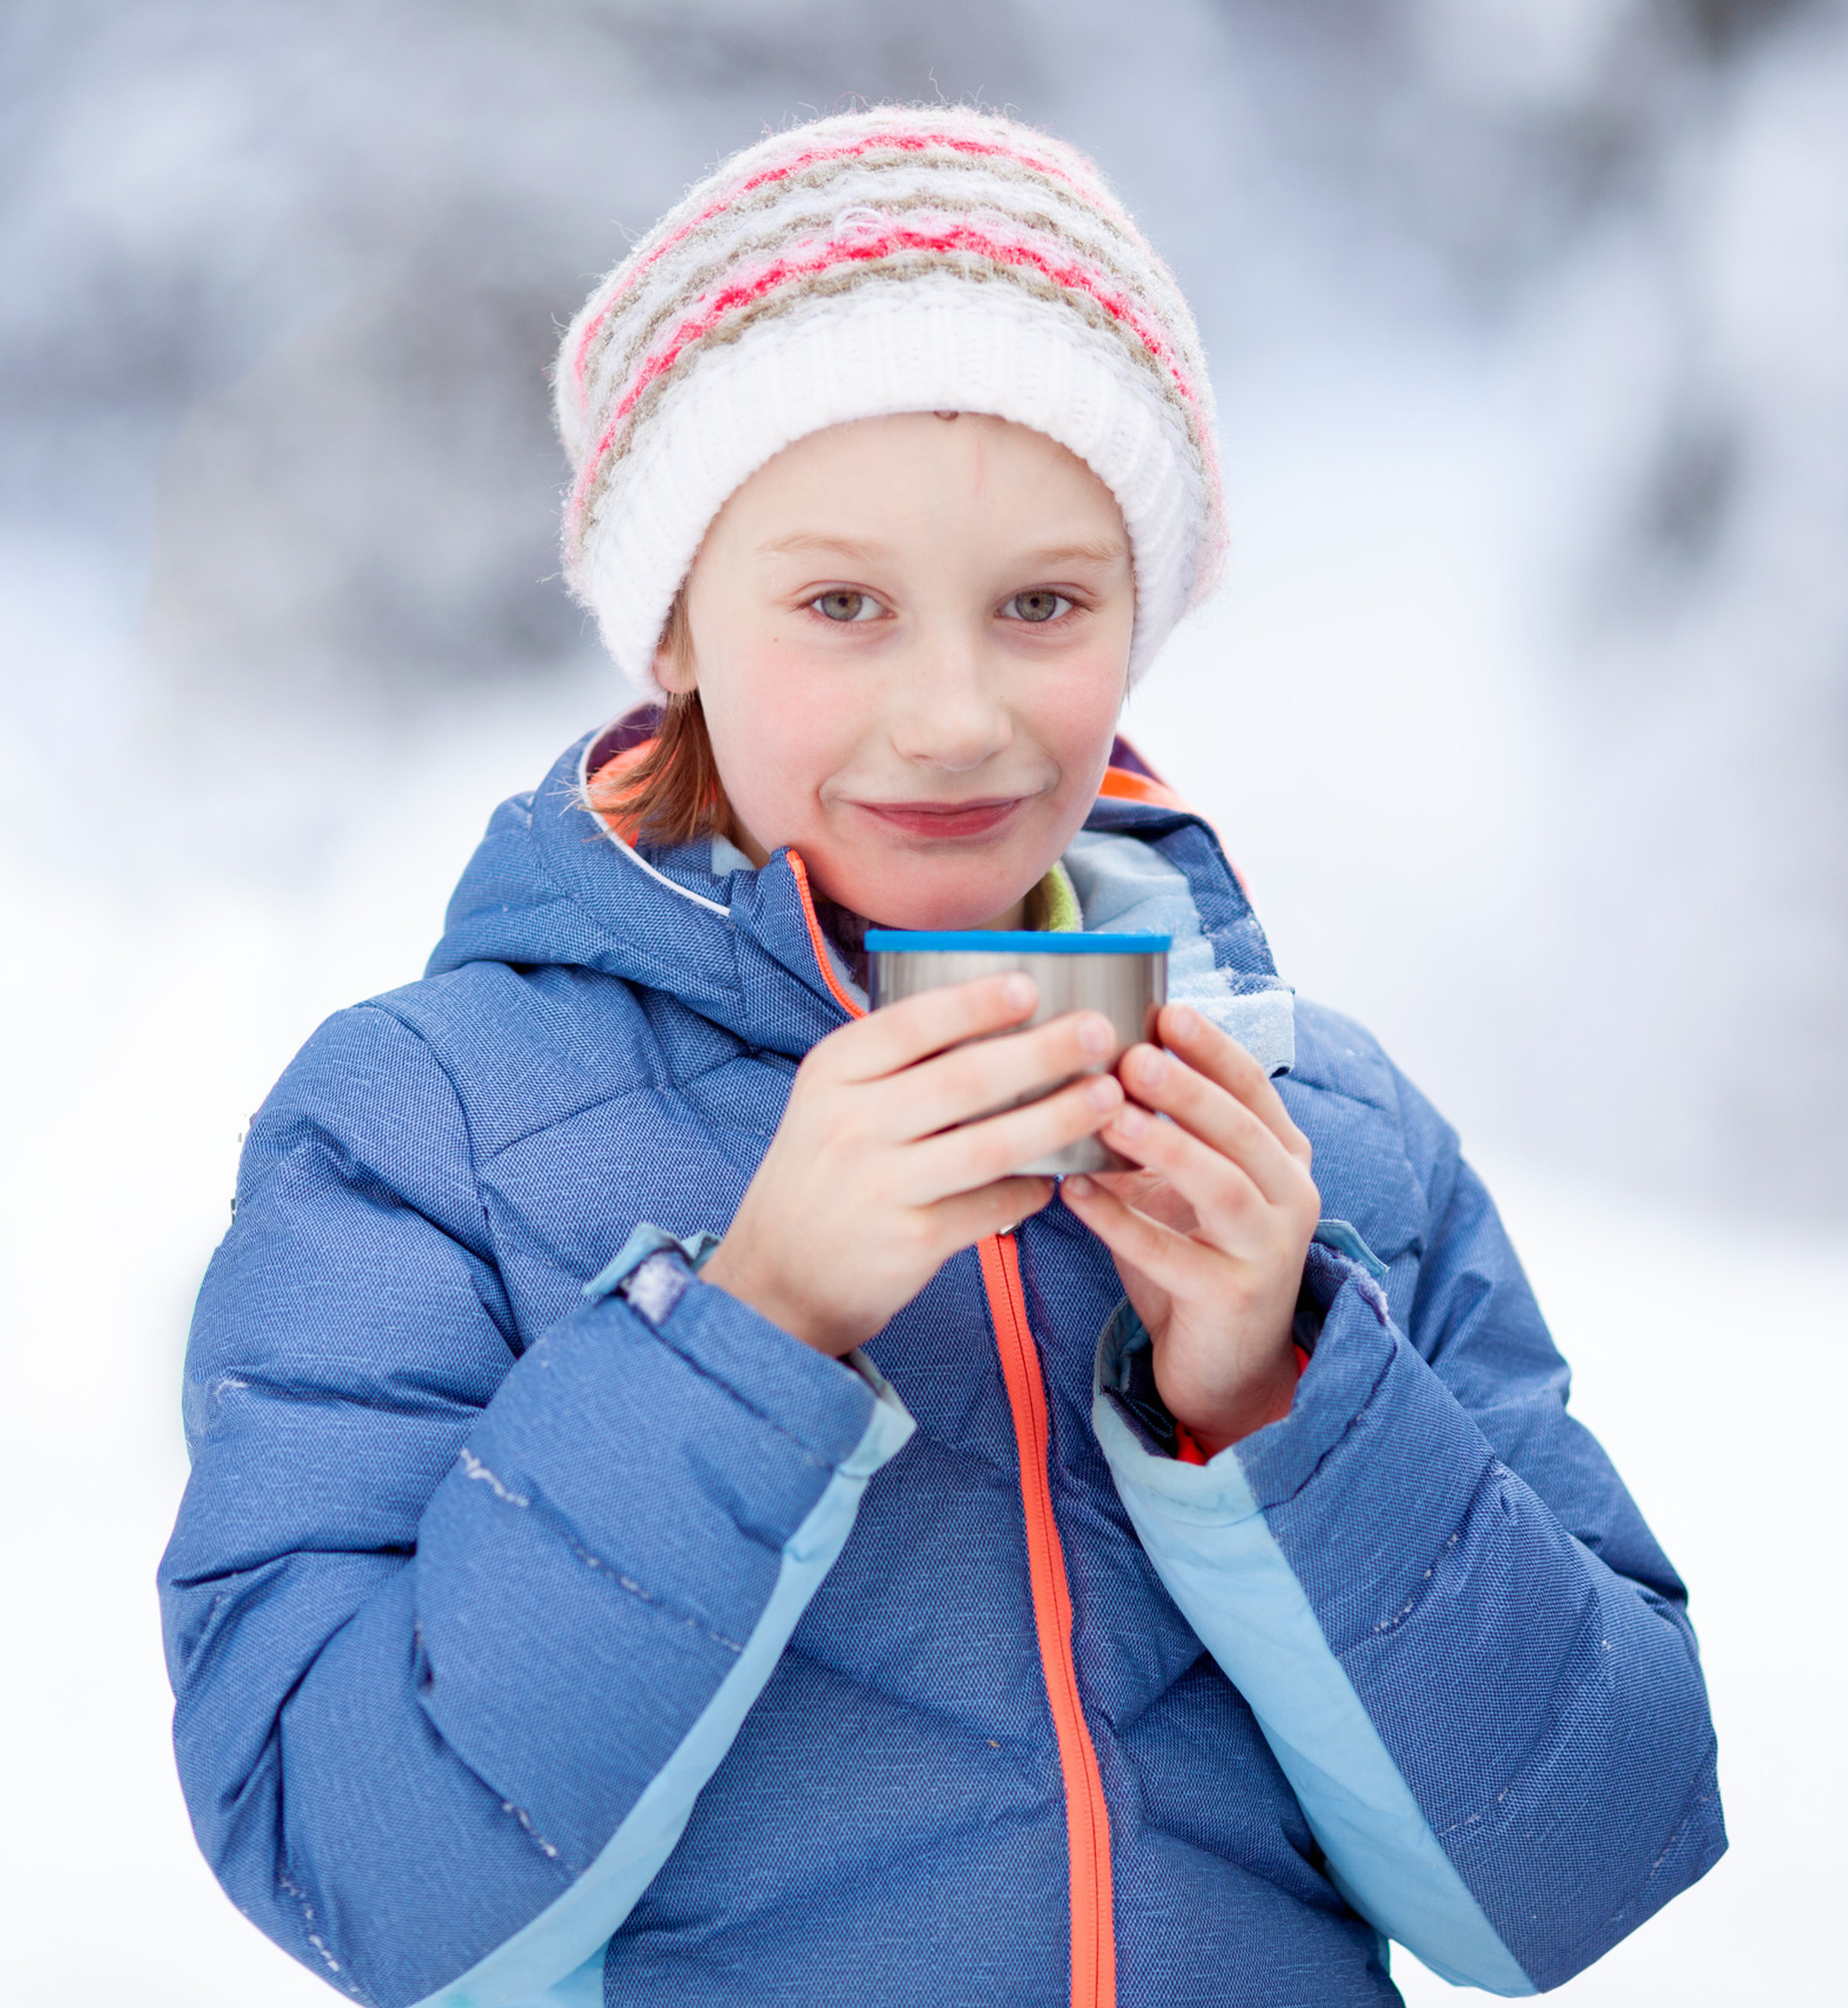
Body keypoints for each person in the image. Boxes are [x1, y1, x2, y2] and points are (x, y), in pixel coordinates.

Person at [158, 107, 1725, 2008]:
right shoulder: (422, 1126)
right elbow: (366, 1882)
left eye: (1041, 604)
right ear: (675, 625)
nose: (956, 713)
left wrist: (1272, 1388)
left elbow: (1582, 1865)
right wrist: (748, 1328)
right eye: (842, 605)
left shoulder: (1333, 1134)